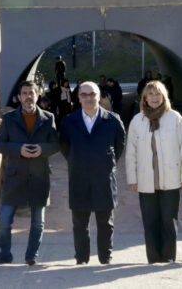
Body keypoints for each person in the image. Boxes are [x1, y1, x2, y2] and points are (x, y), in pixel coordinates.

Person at [0, 81, 60, 266]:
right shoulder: (9, 119)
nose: (28, 96)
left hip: (39, 177)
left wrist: (42, 150)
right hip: (15, 177)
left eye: (31, 93)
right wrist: (18, 149)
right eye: (24, 93)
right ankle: (5, 255)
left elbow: (56, 144)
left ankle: (31, 256)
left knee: (38, 222)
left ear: (37, 95)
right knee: (4, 220)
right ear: (19, 97)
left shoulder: (48, 118)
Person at [59, 81, 126, 265]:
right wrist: (78, 161)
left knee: (105, 223)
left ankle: (105, 258)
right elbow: (65, 146)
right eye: (84, 95)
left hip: (104, 179)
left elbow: (119, 146)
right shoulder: (68, 121)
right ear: (79, 98)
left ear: (99, 97)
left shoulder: (112, 120)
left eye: (92, 94)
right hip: (79, 178)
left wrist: (105, 163)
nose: (88, 98)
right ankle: (81, 258)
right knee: (80, 223)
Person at [125, 80, 182, 263]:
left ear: (164, 96)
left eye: (158, 94)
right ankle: (153, 258)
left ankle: (168, 257)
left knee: (169, 220)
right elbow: (131, 153)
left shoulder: (174, 118)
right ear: (145, 98)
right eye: (151, 94)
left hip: (171, 177)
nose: (154, 97)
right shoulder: (137, 121)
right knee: (150, 221)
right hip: (146, 179)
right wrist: (132, 178)